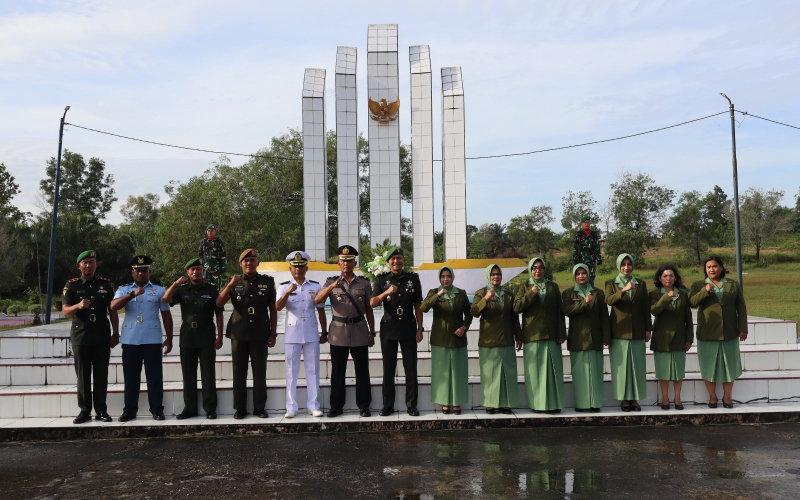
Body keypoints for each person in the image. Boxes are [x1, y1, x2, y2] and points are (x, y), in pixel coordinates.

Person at [110, 255, 173, 422]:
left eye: (144, 270)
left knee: (154, 377)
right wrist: (132, 294)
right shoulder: (123, 290)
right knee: (131, 378)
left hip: (152, 339)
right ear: (132, 273)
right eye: (137, 271)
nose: (141, 274)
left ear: (149, 272)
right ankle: (129, 410)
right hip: (130, 340)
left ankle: (157, 410)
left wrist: (170, 337)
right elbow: (113, 306)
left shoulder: (159, 290)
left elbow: (166, 314)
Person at [315, 245, 375, 417]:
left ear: (355, 262)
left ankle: (364, 405)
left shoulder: (364, 283)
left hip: (360, 329)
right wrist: (333, 285)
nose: (346, 264)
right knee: (337, 371)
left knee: (362, 370)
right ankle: (336, 406)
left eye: (350, 261)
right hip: (338, 331)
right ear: (338, 264)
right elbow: (318, 300)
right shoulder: (330, 282)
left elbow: (369, 309)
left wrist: (372, 332)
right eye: (343, 261)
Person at [217, 249, 277, 419]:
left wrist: (273, 333)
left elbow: (273, 309)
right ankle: (240, 408)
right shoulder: (234, 282)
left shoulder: (267, 282)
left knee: (260, 372)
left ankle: (259, 408)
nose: (249, 263)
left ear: (258, 262)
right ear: (240, 264)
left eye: (252, 260)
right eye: (246, 261)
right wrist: (229, 285)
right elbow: (219, 302)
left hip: (260, 333)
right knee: (239, 372)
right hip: (239, 333)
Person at [162, 257, 224, 420]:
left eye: (199, 269)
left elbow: (219, 313)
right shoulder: (182, 290)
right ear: (188, 272)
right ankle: (190, 408)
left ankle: (210, 408)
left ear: (203, 271)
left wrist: (220, 336)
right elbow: (166, 299)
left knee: (208, 374)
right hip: (188, 336)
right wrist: (175, 283)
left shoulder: (211, 290)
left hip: (207, 336)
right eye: (193, 269)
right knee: (188, 374)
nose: (196, 272)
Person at [61, 250, 119, 424]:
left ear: (96, 265)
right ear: (79, 266)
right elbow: (65, 311)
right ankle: (85, 410)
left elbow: (113, 311)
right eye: (84, 262)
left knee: (101, 374)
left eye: (91, 262)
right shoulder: (72, 285)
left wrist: (115, 334)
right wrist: (78, 306)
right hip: (81, 335)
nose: (88, 265)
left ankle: (101, 410)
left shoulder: (106, 285)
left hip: (101, 334)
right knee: (83, 375)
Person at [688, 256, 747, 409]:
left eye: (715, 266)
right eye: (708, 267)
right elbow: (692, 302)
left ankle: (727, 397)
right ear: (705, 270)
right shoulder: (699, 285)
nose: (712, 269)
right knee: (708, 366)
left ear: (721, 267)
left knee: (730, 366)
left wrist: (743, 328)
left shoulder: (733, 285)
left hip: (729, 331)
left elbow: (741, 308)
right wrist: (705, 291)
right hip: (707, 332)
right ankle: (712, 397)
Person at [371, 247, 424, 417]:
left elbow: (418, 305)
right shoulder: (381, 280)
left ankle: (411, 405)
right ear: (388, 262)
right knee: (388, 368)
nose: (396, 261)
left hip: (408, 327)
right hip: (389, 328)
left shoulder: (413, 279)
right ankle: (388, 405)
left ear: (404, 260)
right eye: (393, 259)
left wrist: (420, 328)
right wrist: (387, 291)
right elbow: (372, 303)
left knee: (410, 368)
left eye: (399, 258)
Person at [276, 251, 327, 418]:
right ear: (290, 268)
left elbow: (320, 310)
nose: (298, 270)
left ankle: (313, 405)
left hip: (311, 331)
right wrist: (288, 291)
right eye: (295, 267)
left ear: (306, 267)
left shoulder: (315, 286)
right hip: (292, 332)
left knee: (313, 369)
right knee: (291, 371)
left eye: (301, 267)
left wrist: (324, 331)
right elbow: (278, 307)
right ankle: (291, 406)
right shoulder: (284, 286)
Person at [513, 257, 566, 414]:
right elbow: (516, 308)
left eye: (541, 267)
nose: (538, 270)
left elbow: (559, 311)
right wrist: (531, 293)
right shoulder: (524, 287)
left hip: (551, 335)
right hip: (533, 335)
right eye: (535, 267)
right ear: (530, 269)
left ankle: (554, 404)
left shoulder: (553, 287)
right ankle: (538, 405)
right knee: (535, 374)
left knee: (553, 371)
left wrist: (561, 332)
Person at [420, 266, 472, 415]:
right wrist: (438, 295)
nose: (446, 279)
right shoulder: (434, 293)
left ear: (453, 277)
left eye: (448, 276)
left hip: (458, 338)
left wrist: (464, 327)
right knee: (441, 371)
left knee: (458, 372)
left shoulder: (461, 294)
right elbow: (423, 308)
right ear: (439, 278)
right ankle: (444, 401)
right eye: (443, 276)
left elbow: (469, 315)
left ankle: (456, 402)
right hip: (440, 339)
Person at [471, 264, 521, 414]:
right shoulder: (481, 293)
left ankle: (506, 404)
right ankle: (490, 404)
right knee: (490, 374)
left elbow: (513, 317)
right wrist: (486, 299)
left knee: (508, 372)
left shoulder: (508, 293)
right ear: (488, 276)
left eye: (498, 274)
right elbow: (474, 311)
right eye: (493, 274)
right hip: (489, 340)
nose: (496, 277)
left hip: (506, 339)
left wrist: (518, 336)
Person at [604, 253, 651, 412]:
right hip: (618, 331)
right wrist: (624, 290)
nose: (626, 267)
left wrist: (648, 328)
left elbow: (646, 307)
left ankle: (634, 399)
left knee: (637, 367)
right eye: (623, 264)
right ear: (618, 265)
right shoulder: (611, 283)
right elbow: (609, 301)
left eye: (629, 264)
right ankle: (624, 399)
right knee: (622, 368)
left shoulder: (641, 284)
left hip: (637, 330)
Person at [562, 264, 610, 412]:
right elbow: (567, 310)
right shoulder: (568, 293)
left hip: (595, 337)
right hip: (578, 338)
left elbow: (604, 317)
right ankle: (582, 404)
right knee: (580, 373)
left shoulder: (598, 293)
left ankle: (595, 404)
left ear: (589, 275)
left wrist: (606, 335)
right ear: (574, 276)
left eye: (584, 273)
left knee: (595, 372)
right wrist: (584, 303)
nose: (581, 276)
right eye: (578, 274)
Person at [649, 264, 694, 411]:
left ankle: (677, 398)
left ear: (676, 278)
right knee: (663, 371)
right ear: (659, 278)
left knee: (678, 371)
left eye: (671, 276)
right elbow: (654, 311)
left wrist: (689, 338)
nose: (668, 278)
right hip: (662, 337)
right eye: (665, 276)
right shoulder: (654, 294)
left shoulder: (683, 294)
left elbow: (688, 317)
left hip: (680, 337)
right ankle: (665, 398)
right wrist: (666, 298)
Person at [573, 216, 603, 285]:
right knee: (581, 276)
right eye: (585, 222)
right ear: (581, 224)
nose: (587, 224)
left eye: (588, 222)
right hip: (581, 259)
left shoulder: (593, 234)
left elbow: (597, 247)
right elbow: (575, 247)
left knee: (591, 277)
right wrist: (575, 259)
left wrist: (599, 258)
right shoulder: (579, 234)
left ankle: (591, 292)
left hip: (591, 259)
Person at [198, 224, 227, 290]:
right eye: (209, 230)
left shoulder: (219, 242)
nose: (210, 232)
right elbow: (200, 254)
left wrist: (223, 267)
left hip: (216, 268)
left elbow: (223, 255)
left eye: (212, 230)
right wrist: (201, 266)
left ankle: (216, 299)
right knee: (204, 286)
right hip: (206, 268)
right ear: (206, 232)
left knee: (217, 287)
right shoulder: (203, 242)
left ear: (215, 232)